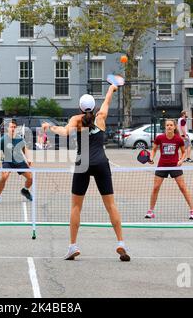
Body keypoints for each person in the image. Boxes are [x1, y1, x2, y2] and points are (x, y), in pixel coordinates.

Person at [42, 85, 130, 262]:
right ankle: (121, 242)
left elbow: (65, 132)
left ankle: (73, 246)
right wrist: (112, 88)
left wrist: (49, 127)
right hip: (101, 163)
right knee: (111, 205)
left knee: (76, 207)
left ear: (80, 108)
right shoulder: (101, 117)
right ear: (94, 107)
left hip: (83, 163)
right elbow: (107, 100)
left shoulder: (76, 119)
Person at [146, 119, 193, 220]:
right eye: (167, 125)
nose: (169, 127)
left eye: (171, 125)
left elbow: (183, 152)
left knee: (183, 187)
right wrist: (151, 158)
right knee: (155, 188)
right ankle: (150, 211)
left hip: (175, 166)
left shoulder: (178, 139)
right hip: (162, 166)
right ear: (165, 127)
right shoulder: (159, 138)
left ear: (174, 127)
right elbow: (154, 149)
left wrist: (181, 160)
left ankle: (192, 211)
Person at [0, 119, 33, 204]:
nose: (13, 129)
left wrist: (28, 158)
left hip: (19, 161)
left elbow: (24, 148)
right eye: (11, 127)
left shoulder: (19, 138)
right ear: (7, 128)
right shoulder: (3, 139)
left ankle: (25, 190)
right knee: (4, 176)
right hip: (7, 161)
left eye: (14, 127)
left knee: (30, 178)